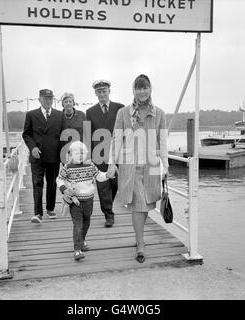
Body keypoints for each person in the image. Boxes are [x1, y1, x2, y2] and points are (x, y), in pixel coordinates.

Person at [108, 74, 169, 263]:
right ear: (133, 90)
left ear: (150, 89)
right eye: (138, 88)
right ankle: (141, 244)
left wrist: (165, 165)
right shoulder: (123, 113)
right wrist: (112, 162)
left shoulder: (159, 113)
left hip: (150, 166)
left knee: (145, 205)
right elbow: (117, 139)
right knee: (138, 204)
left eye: (145, 88)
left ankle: (139, 239)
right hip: (130, 166)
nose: (142, 91)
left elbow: (163, 141)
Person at [56, 141, 116, 261]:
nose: (80, 155)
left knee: (86, 223)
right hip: (75, 201)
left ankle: (81, 241)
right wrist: (65, 190)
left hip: (89, 200)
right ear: (71, 154)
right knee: (78, 225)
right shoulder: (68, 167)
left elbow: (99, 176)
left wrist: (107, 176)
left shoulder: (90, 165)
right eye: (77, 153)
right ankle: (77, 250)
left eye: (82, 152)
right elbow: (59, 180)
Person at [22, 89, 67, 223]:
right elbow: (26, 134)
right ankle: (38, 213)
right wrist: (33, 147)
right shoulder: (31, 114)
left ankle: (50, 208)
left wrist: (64, 156)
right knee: (37, 183)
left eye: (50, 98)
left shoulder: (60, 115)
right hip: (37, 155)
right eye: (45, 98)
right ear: (40, 99)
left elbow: (64, 136)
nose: (48, 101)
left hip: (53, 155)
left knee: (52, 183)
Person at [86, 80, 124, 228]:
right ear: (96, 93)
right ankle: (109, 214)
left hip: (116, 153)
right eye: (99, 92)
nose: (102, 94)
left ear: (109, 91)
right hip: (98, 154)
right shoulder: (90, 112)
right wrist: (88, 155)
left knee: (114, 184)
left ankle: (109, 205)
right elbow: (88, 134)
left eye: (104, 91)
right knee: (102, 186)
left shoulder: (120, 108)